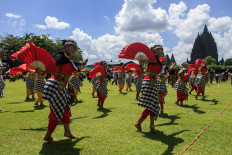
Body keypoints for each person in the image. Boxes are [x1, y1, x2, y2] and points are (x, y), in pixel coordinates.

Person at [42, 40, 88, 142]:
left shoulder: (67, 59)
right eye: (74, 48)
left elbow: (74, 63)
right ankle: (47, 136)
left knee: (65, 110)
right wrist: (44, 69)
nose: (74, 50)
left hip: (61, 87)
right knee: (56, 111)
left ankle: (67, 132)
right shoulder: (60, 55)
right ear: (67, 45)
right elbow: (54, 63)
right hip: (56, 86)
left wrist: (83, 63)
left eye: (76, 49)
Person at [134, 45, 164, 133]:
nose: (161, 50)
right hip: (148, 81)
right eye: (158, 49)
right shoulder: (152, 58)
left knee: (154, 104)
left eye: (161, 49)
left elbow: (162, 64)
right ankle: (139, 123)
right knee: (151, 104)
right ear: (154, 51)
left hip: (154, 82)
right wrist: (144, 60)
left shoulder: (159, 59)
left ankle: (152, 125)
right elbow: (148, 61)